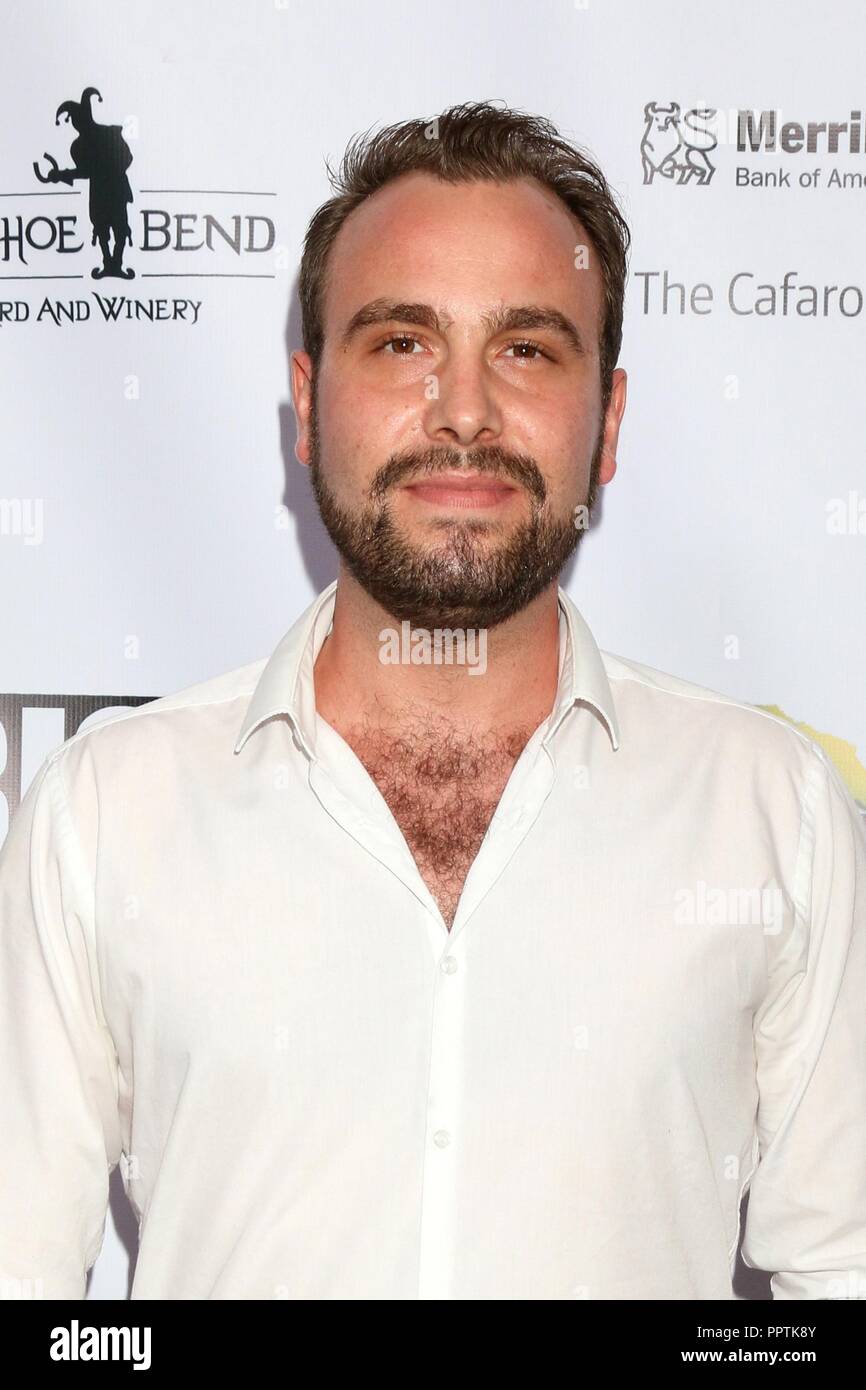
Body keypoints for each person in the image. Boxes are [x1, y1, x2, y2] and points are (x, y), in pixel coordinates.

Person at [1, 101, 864, 1301]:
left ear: (606, 422)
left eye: (525, 349)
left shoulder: (777, 815)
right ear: (307, 400)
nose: (462, 411)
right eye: (401, 343)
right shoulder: (105, 812)